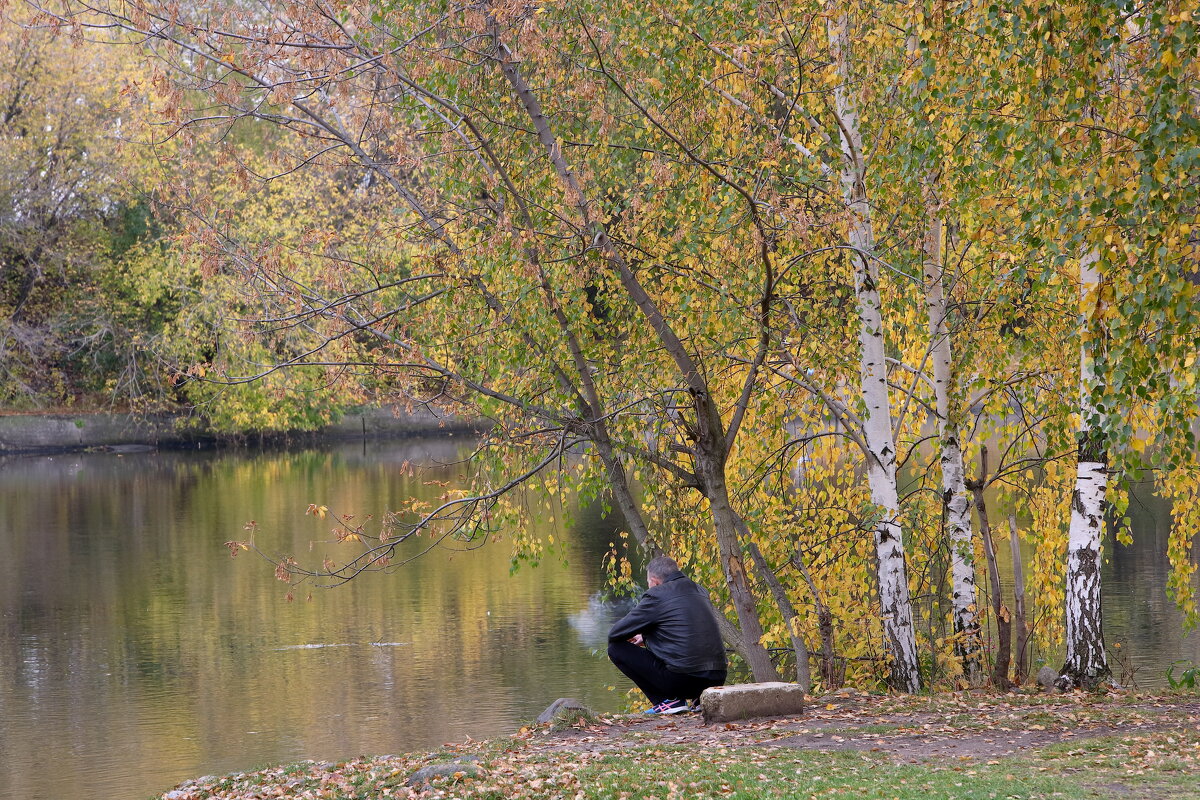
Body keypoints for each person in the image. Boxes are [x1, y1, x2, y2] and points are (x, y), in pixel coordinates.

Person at [607, 555, 727, 714]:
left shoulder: (657, 594)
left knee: (616, 649)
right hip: (717, 677)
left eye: (648, 582)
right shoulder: (700, 590)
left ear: (655, 581)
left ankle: (668, 701)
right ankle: (699, 701)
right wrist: (646, 637)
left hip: (683, 680)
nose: (648, 586)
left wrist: (647, 635)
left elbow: (615, 633)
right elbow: (686, 629)